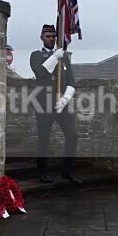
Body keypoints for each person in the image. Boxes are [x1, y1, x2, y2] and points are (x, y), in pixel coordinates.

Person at [30, 24, 82, 184]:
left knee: (72, 136)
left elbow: (71, 80)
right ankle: (43, 172)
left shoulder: (64, 57)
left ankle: (67, 171)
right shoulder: (36, 55)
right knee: (44, 139)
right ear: (42, 37)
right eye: (48, 36)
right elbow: (40, 72)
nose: (51, 39)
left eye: (53, 36)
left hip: (62, 104)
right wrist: (55, 57)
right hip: (43, 104)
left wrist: (66, 98)